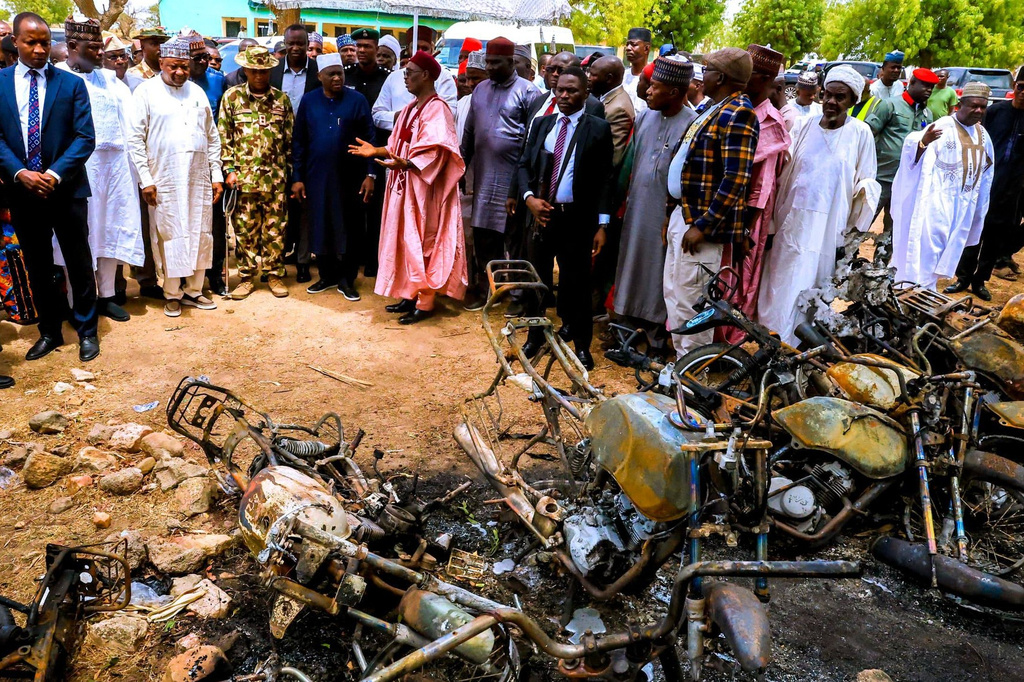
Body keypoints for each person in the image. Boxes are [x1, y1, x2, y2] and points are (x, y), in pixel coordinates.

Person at [0, 12, 98, 362]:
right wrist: (20, 173)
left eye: (44, 42)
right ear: (15, 41)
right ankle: (50, 331)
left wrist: (53, 174)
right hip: (23, 191)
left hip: (66, 189)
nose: (40, 49)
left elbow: (85, 138)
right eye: (31, 42)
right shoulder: (0, 83)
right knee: (39, 265)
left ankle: (87, 330)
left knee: (78, 260)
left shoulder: (71, 84)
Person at [758, 65, 879, 345]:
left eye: (841, 97)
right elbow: (784, 174)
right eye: (828, 95)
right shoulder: (804, 126)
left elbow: (867, 184)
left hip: (828, 228)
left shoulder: (860, 134)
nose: (832, 103)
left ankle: (799, 344)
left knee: (812, 287)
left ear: (852, 101)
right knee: (782, 280)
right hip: (792, 221)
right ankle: (772, 341)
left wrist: (852, 231)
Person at [349, 51, 468, 324]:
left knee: (422, 242)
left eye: (410, 72)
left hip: (423, 191)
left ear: (426, 75)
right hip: (401, 187)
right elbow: (396, 145)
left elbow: (437, 151)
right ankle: (409, 292)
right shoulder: (410, 108)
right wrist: (376, 149)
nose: (405, 77)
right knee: (403, 239)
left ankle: (425, 302)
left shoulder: (438, 109)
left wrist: (407, 164)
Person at [514, 65, 613, 368]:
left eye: (572, 90)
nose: (564, 95)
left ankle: (582, 345)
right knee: (536, 280)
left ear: (585, 93)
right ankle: (535, 337)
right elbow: (523, 166)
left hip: (577, 220)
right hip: (541, 218)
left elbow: (605, 179)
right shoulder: (543, 124)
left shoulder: (597, 127)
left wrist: (602, 224)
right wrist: (529, 199)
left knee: (576, 283)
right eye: (560, 90)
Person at [664, 48, 759, 357]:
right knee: (675, 295)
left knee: (692, 303)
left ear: (721, 77)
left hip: (701, 226)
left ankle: (693, 378)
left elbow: (736, 179)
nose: (701, 76)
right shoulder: (714, 107)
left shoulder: (739, 113)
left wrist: (703, 226)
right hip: (685, 215)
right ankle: (682, 368)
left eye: (706, 70)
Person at [128, 38, 223, 318]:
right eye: (173, 67)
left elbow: (212, 136)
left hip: (197, 179)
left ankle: (194, 290)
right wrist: (146, 180)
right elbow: (135, 139)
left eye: (184, 66)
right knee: (169, 234)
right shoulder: (145, 92)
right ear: (161, 64)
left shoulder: (196, 93)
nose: (179, 72)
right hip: (163, 179)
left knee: (200, 231)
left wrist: (215, 174)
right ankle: (172, 292)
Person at [57, 16, 143, 324]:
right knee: (79, 236)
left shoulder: (111, 82)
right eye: (92, 48)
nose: (99, 54)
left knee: (109, 231)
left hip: (115, 169)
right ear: (71, 46)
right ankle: (77, 302)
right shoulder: (59, 78)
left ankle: (106, 296)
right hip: (79, 171)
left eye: (99, 47)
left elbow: (130, 127)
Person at [613, 57, 696, 349]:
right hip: (636, 207)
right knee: (630, 264)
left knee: (659, 272)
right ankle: (623, 327)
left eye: (655, 87)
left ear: (674, 93)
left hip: (666, 215)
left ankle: (654, 335)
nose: (647, 91)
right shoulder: (646, 116)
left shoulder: (693, 124)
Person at [890, 82, 993, 289]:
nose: (978, 111)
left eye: (983, 106)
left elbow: (987, 174)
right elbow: (912, 159)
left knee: (944, 252)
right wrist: (922, 143)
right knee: (927, 252)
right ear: (959, 105)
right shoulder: (942, 126)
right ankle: (912, 294)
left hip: (962, 206)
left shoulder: (982, 134)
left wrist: (979, 209)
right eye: (974, 105)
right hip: (935, 206)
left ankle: (927, 292)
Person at [720, 45, 790, 341]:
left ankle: (728, 342)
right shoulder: (734, 108)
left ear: (762, 79)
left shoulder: (771, 122)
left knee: (738, 277)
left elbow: (761, 187)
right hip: (722, 209)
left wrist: (744, 229)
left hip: (747, 217)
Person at [291, 53, 375, 300]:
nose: (338, 77)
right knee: (321, 224)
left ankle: (347, 280)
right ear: (320, 77)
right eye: (332, 74)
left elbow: (369, 137)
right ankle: (326, 276)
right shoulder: (309, 101)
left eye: (340, 73)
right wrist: (298, 176)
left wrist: (370, 173)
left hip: (350, 176)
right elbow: (299, 141)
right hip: (317, 176)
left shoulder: (357, 100)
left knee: (349, 226)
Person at [461, 37, 538, 306]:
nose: (490, 67)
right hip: (483, 178)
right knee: (483, 237)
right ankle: (487, 290)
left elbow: (532, 142)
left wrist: (522, 185)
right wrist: (462, 166)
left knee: (514, 240)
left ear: (511, 62)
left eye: (496, 63)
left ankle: (517, 294)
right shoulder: (480, 89)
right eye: (488, 62)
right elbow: (470, 132)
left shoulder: (528, 92)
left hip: (512, 181)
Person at [219, 46, 294, 300]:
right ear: (245, 70)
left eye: (264, 71)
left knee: (275, 229)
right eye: (254, 71)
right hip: (243, 179)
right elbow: (224, 137)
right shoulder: (231, 98)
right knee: (244, 229)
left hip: (275, 178)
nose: (259, 76)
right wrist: (228, 170)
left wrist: (290, 174)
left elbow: (290, 141)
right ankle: (247, 276)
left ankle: (273, 274)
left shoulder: (282, 100)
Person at [948, 67, 1024, 299]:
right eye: (1022, 87)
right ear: (1014, 87)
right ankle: (962, 277)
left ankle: (980, 281)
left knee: (995, 237)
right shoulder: (994, 112)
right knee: (973, 232)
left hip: (1012, 191)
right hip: (984, 186)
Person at [865, 67, 936, 261]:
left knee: (894, 227)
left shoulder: (928, 115)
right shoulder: (889, 105)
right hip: (882, 177)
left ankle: (879, 267)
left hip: (905, 182)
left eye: (932, 87)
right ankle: (846, 259)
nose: (929, 90)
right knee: (863, 221)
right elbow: (867, 134)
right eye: (925, 85)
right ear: (912, 83)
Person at [271, 24, 320, 283]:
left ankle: (302, 261)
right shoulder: (273, 72)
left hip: (310, 149)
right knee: (279, 206)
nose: (296, 48)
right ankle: (278, 258)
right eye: (291, 43)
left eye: (301, 43)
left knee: (304, 206)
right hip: (276, 150)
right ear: (285, 43)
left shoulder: (318, 73)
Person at [346, 27, 393, 277]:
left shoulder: (388, 78)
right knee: (352, 207)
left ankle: (374, 259)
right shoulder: (345, 75)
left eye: (367, 46)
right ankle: (354, 256)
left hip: (379, 152)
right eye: (358, 46)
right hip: (351, 152)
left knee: (376, 209)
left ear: (377, 49)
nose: (362, 51)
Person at [372, 27, 458, 136]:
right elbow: (377, 115)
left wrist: (416, 118)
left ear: (432, 49)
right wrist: (399, 117)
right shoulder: (394, 77)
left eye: (424, 48)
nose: (420, 52)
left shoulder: (443, 76)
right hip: (396, 143)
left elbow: (449, 114)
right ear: (408, 50)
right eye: (416, 48)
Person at [588, 55, 635, 167]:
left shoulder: (618, 110)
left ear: (609, 78)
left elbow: (613, 157)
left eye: (593, 75)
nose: (588, 78)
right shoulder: (605, 97)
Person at [622, 27, 651, 107]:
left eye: (633, 45)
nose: (628, 48)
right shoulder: (622, 76)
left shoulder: (654, 77)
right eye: (627, 44)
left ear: (646, 49)